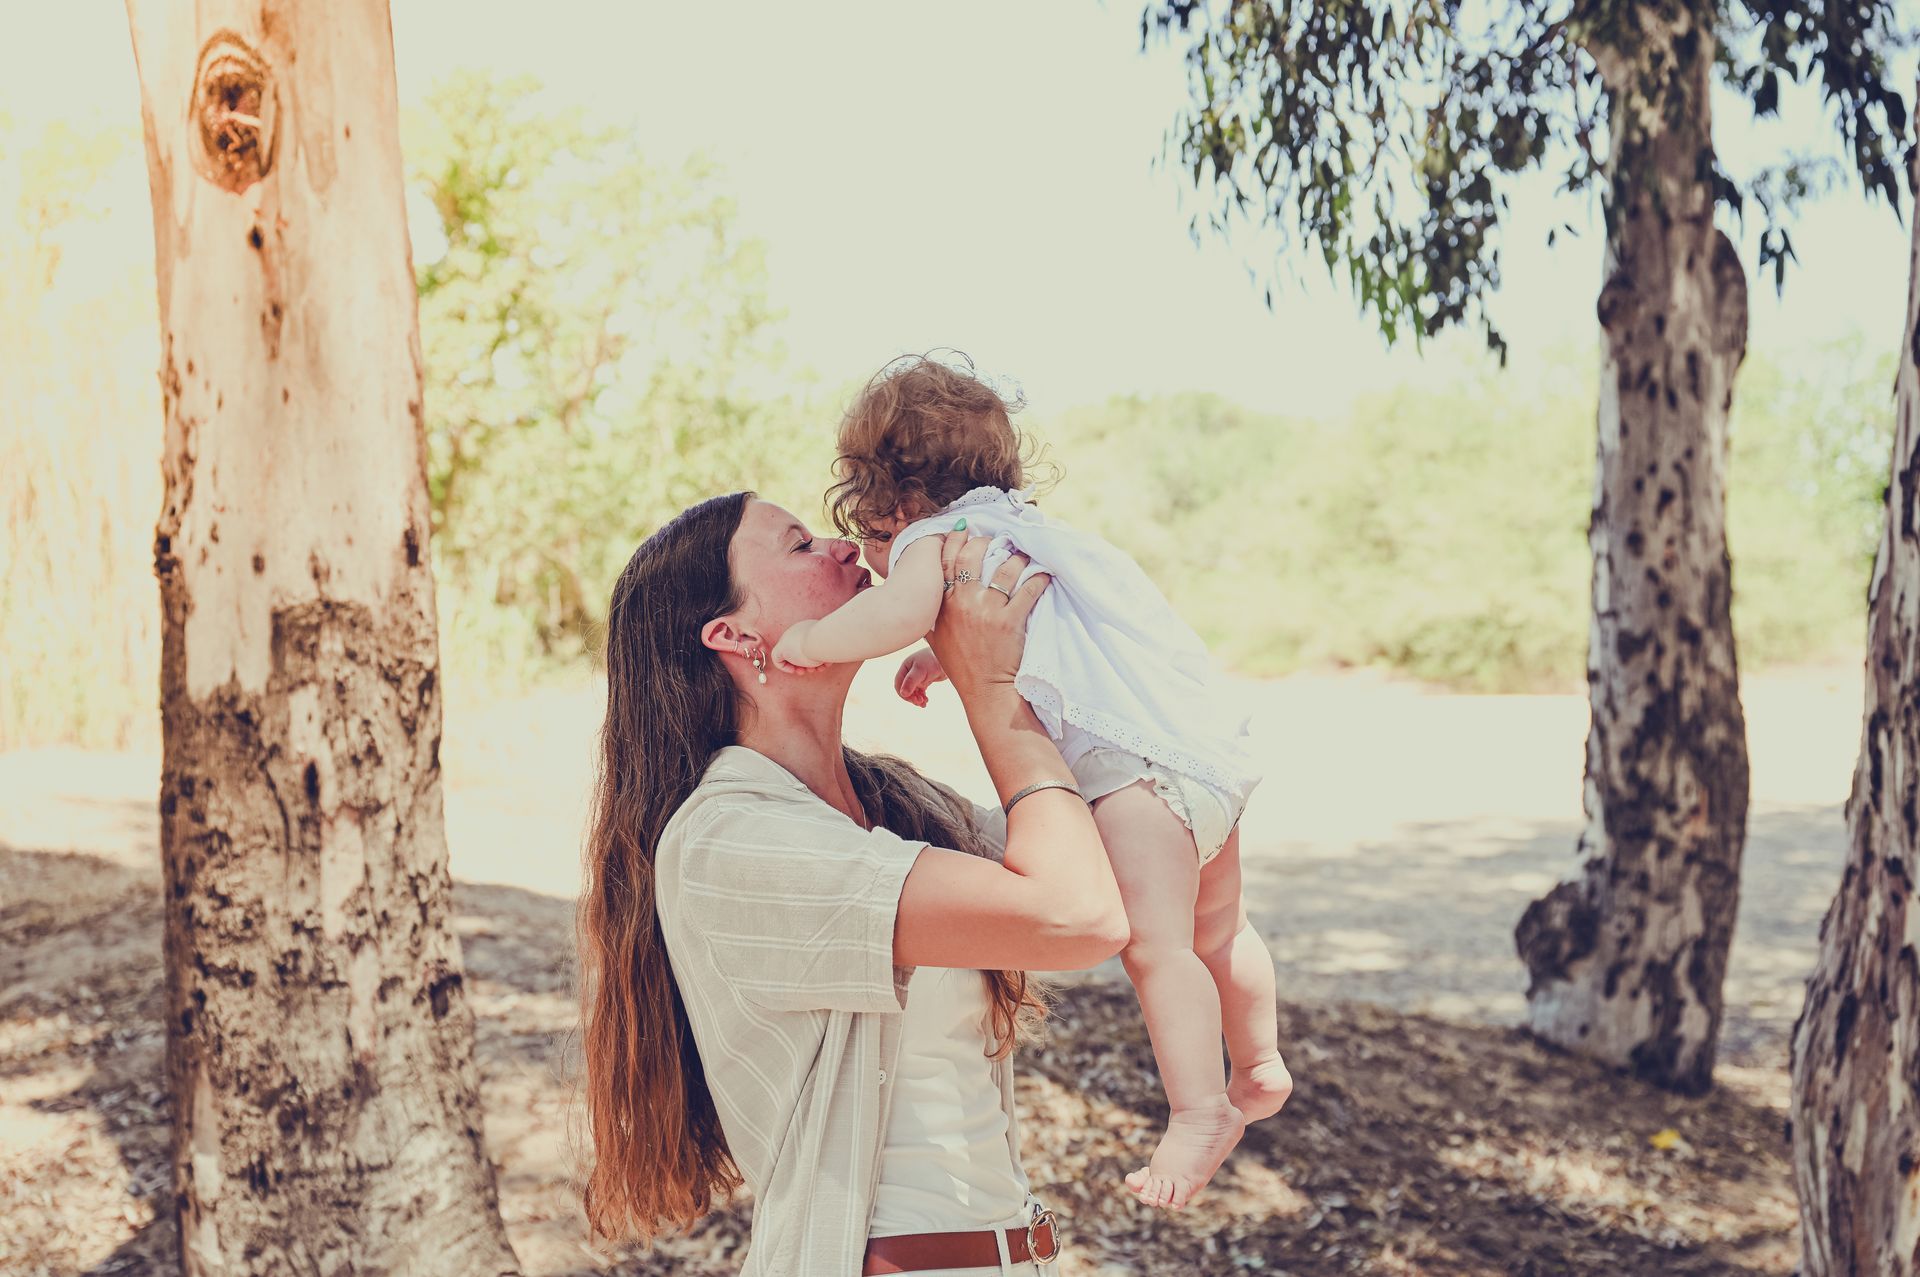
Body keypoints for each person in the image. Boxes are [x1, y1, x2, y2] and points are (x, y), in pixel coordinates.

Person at [770, 354, 1293, 1210]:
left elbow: (901, 606)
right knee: (1222, 929)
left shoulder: (927, 541)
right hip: (1198, 757)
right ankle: (1262, 1060)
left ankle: (1202, 1108)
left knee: (1156, 945)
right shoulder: (1020, 531)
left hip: (1135, 779)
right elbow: (1038, 636)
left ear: (887, 496)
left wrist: (818, 640)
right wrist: (939, 663)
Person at [578, 490, 1130, 1276]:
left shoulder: (893, 807)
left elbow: (1119, 861)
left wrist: (1035, 633)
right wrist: (991, 689)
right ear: (733, 635)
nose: (842, 548)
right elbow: (1079, 916)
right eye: (800, 544)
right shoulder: (730, 839)